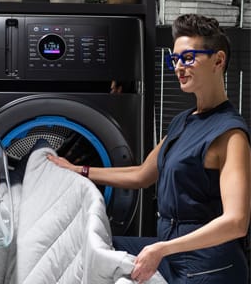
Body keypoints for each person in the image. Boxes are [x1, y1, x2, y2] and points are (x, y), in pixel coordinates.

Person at [47, 14, 251, 284]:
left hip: (208, 267)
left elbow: (237, 221)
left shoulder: (230, 134)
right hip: (172, 253)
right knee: (89, 245)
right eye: (175, 59)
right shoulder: (183, 121)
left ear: (218, 60)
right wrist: (78, 170)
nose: (178, 67)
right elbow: (142, 174)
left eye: (188, 57)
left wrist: (161, 248)